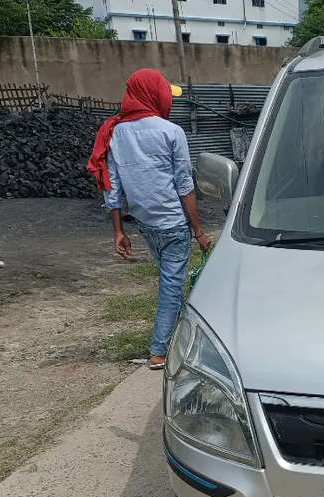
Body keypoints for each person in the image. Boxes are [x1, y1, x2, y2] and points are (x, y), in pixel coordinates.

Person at [87, 68, 211, 370]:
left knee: (171, 282)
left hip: (145, 224)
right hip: (173, 224)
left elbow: (111, 186)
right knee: (171, 286)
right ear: (153, 93)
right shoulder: (171, 132)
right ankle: (159, 352)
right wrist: (198, 231)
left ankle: (180, 337)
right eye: (166, 93)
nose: (169, 99)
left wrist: (118, 231)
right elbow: (184, 185)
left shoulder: (115, 133)